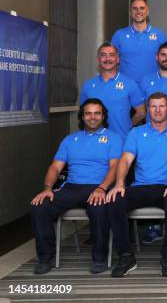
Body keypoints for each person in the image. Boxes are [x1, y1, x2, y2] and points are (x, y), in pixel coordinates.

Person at [31, 99, 121, 275]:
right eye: (88, 113)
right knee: (39, 206)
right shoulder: (70, 140)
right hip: (71, 188)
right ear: (82, 116)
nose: (92, 117)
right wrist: (47, 188)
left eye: (97, 113)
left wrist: (102, 188)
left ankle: (99, 258)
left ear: (103, 116)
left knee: (99, 208)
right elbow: (55, 167)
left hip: (98, 187)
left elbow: (114, 167)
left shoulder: (113, 138)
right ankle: (45, 258)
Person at [106, 92, 167, 277]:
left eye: (161, 106)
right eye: (153, 106)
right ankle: (126, 256)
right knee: (114, 201)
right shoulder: (136, 132)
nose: (158, 110)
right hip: (140, 187)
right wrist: (119, 184)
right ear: (148, 109)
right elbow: (126, 160)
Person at [80, 42, 145, 139]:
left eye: (111, 55)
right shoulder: (88, 86)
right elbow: (83, 114)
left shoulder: (130, 84)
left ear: (118, 59)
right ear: (98, 59)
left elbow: (141, 112)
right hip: (94, 142)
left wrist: (127, 126)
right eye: (103, 55)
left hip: (121, 142)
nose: (107, 59)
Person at [111, 0, 167, 84]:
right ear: (130, 12)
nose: (138, 11)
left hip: (153, 86)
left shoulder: (160, 35)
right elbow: (111, 62)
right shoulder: (119, 35)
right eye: (135, 8)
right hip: (127, 87)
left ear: (147, 11)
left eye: (142, 8)